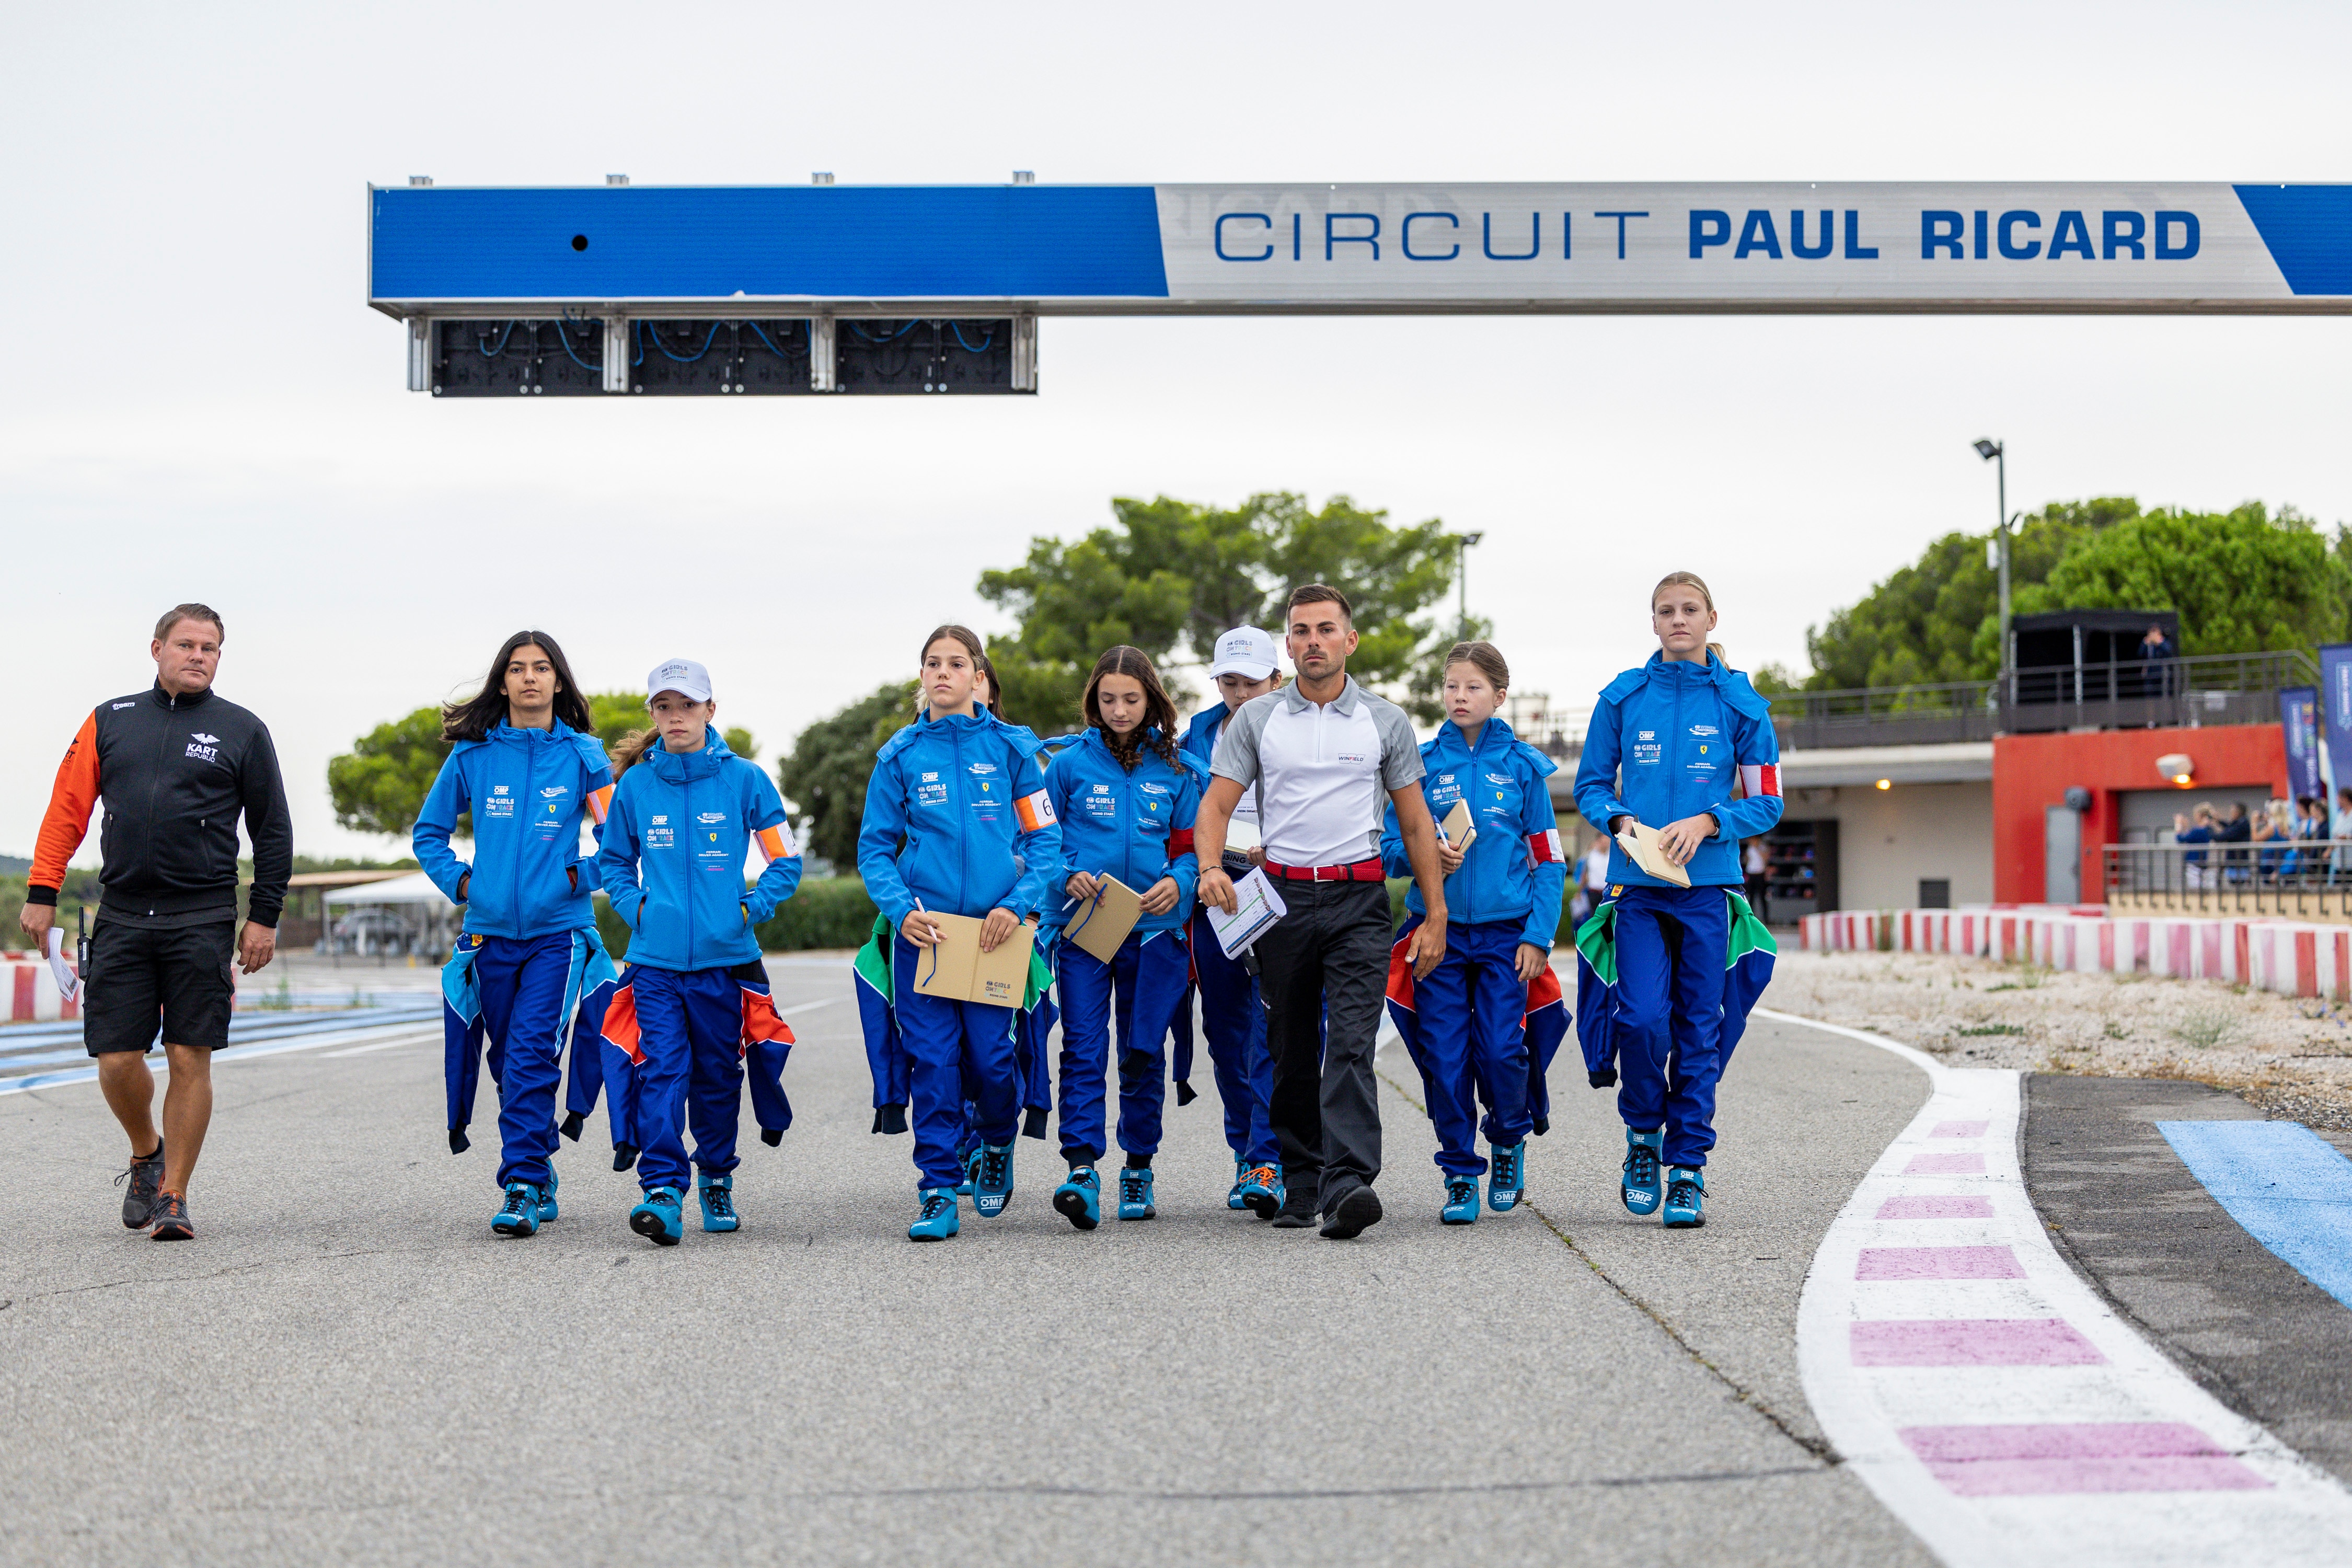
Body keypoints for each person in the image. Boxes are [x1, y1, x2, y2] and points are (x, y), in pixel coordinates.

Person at [22, 604, 291, 1241]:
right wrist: (42, 891)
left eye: (211, 648)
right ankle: (147, 1150)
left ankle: (173, 1195)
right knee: (116, 1059)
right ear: (157, 649)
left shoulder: (242, 730)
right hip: (121, 914)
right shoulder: (110, 720)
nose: (199, 656)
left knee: (188, 1054)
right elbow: (68, 810)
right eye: (188, 645)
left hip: (200, 916)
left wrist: (263, 918)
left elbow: (272, 831)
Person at [1196, 585, 1448, 1240]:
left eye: (1326, 629)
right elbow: (1216, 808)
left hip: (1359, 900)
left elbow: (1418, 826)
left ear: (1349, 641)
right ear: (1289, 645)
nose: (1314, 641)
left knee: (1352, 1043)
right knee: (1289, 1046)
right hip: (1280, 901)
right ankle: (1302, 1178)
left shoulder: (1386, 722)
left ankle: (1348, 1185)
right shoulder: (1257, 721)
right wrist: (1210, 869)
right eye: (1301, 631)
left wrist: (1435, 914)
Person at [1573, 571, 1783, 1230]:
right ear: (1654, 622)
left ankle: (1688, 1168)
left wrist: (1712, 821)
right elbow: (1589, 787)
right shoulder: (1622, 698)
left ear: (1712, 619)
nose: (1678, 620)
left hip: (1709, 892)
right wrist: (1618, 823)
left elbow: (1769, 801)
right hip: (1637, 890)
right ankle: (1643, 1137)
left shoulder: (1743, 705)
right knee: (1638, 1020)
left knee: (1699, 1028)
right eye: (1666, 611)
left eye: (1690, 610)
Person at [858, 625, 1060, 1242]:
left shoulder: (1013, 751)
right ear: (922, 677)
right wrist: (902, 912)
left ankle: (997, 1141)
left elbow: (1046, 844)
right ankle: (938, 1189)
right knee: (933, 1061)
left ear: (979, 677)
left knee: (994, 1061)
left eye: (956, 664)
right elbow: (874, 851)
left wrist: (1019, 904)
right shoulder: (899, 757)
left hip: (995, 936)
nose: (942, 673)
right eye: (931, 664)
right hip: (929, 937)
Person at [414, 631, 617, 1238]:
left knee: (530, 1052)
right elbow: (429, 835)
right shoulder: (471, 757)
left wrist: (577, 877)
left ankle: (522, 1183)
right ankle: (539, 1162)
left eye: (543, 668)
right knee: (508, 1060)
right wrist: (465, 884)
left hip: (560, 936)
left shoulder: (586, 756)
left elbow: (618, 843)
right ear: (502, 682)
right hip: (489, 937)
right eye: (518, 668)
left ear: (559, 682)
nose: (531, 678)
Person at [594, 660, 802, 1245]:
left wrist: (749, 909)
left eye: (687, 705)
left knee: (716, 1075)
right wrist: (637, 908)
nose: (675, 717)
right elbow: (613, 861)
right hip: (654, 964)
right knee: (661, 1070)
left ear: (711, 711)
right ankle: (662, 1189)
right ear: (654, 716)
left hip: (725, 962)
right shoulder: (634, 786)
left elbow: (785, 861)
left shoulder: (747, 780)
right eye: (663, 707)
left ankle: (715, 1175)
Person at [1377, 641, 1565, 1224]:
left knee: (1504, 1050)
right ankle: (1460, 1171)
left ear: (1500, 696)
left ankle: (1507, 1139)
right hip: (1436, 937)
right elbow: (1386, 849)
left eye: (1474, 687)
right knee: (1445, 1057)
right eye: (1452, 686)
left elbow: (1550, 860)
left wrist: (1538, 935)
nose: (1460, 696)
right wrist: (1423, 855)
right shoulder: (1420, 766)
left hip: (1507, 939)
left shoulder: (1525, 769)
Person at [1038, 647, 1203, 1229]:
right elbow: (1037, 840)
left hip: (1155, 933)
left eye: (1131, 699)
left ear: (1151, 700)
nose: (1119, 710)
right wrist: (1066, 874)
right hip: (1086, 932)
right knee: (1082, 1046)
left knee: (1141, 1051)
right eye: (1107, 699)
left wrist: (1178, 883)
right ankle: (1081, 1170)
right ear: (1094, 701)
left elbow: (1192, 852)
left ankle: (1139, 1166)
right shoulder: (1066, 766)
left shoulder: (1179, 769)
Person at [1174, 625, 1285, 1215]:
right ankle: (1246, 1151)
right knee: (1224, 1032)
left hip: (1279, 887)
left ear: (1277, 678)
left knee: (1273, 1030)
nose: (1240, 693)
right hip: (1215, 890)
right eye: (1229, 682)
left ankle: (1271, 1156)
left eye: (1252, 681)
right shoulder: (1195, 735)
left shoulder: (1296, 727)